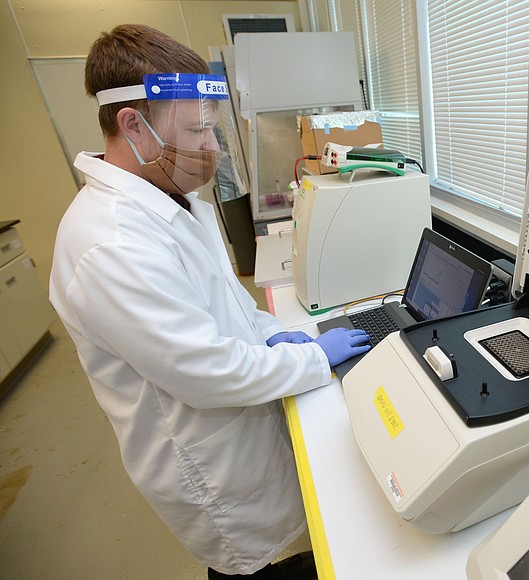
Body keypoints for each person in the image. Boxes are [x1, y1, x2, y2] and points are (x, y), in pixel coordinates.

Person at [49, 24, 370, 578]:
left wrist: (274, 334)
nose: (212, 148)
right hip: (210, 464)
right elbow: (205, 370)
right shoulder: (109, 244)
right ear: (133, 124)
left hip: (245, 425)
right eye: (197, 130)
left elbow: (228, 299)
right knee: (251, 565)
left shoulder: (171, 199)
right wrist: (316, 358)